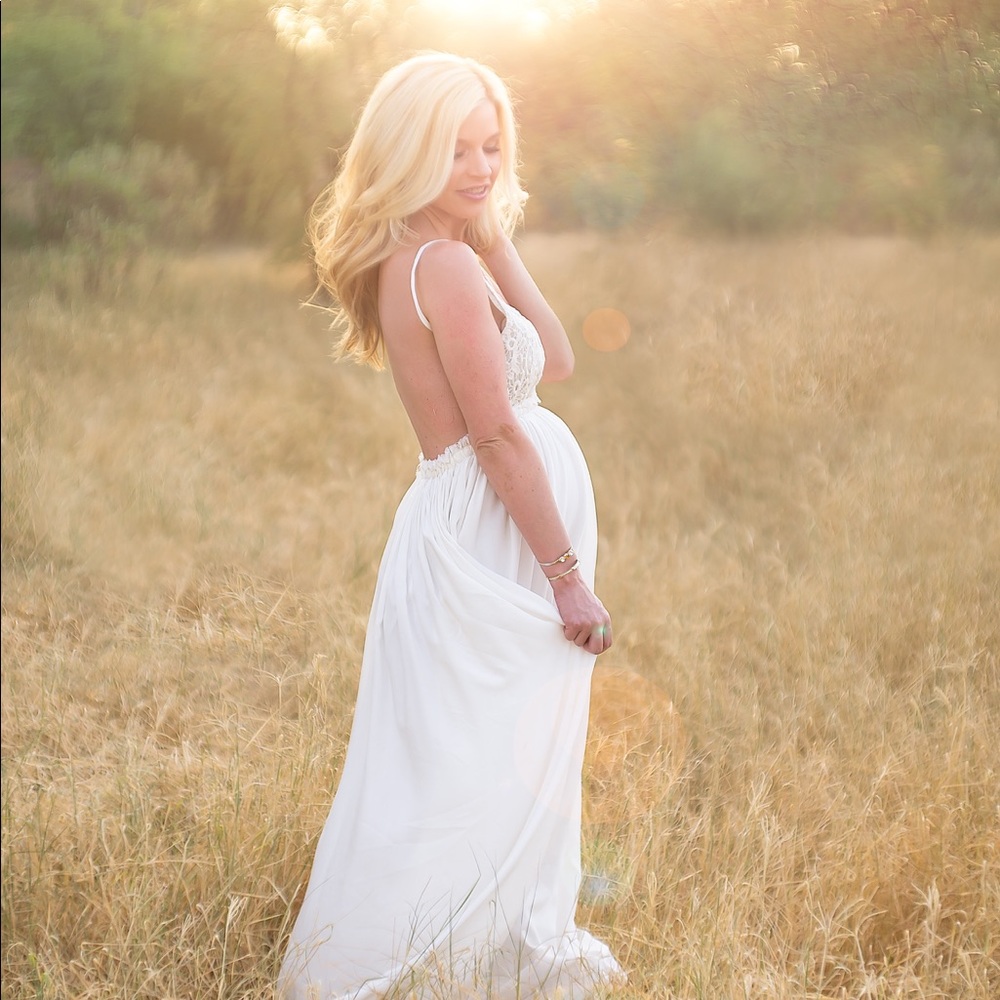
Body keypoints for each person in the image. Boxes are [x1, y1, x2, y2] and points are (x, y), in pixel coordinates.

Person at [278, 52, 625, 1000]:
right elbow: (501, 433)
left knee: (478, 748)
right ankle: (427, 960)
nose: (479, 166)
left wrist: (492, 236)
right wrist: (565, 574)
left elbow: (553, 357)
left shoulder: (437, 256)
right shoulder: (439, 268)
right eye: (455, 150)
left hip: (466, 524)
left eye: (490, 146)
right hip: (489, 533)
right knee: (478, 753)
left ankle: (479, 940)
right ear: (407, 150)